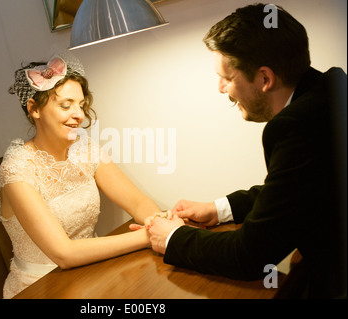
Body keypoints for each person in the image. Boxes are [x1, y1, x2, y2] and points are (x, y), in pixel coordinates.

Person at [144, 4, 347, 298]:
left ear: (265, 79)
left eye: (227, 77)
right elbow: (294, 191)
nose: (220, 88)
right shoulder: (329, 89)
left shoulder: (296, 126)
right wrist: (219, 209)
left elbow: (251, 256)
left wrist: (174, 237)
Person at [0, 54, 160, 298]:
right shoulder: (16, 168)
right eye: (66, 105)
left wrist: (158, 222)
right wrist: (147, 236)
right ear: (34, 109)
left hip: (91, 272)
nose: (79, 114)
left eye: (81, 105)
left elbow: (137, 202)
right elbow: (65, 254)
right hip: (41, 286)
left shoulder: (85, 148)